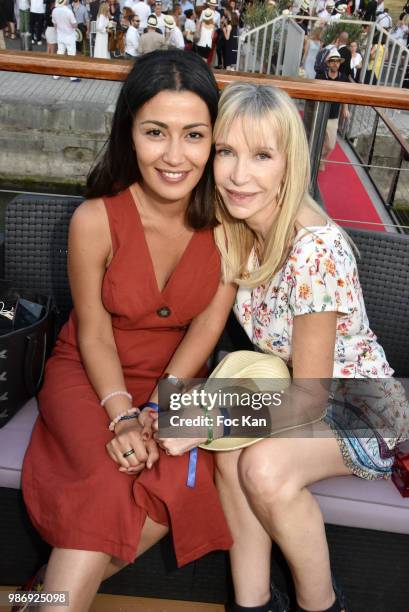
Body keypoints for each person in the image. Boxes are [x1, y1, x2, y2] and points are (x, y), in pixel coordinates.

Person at [177, 80, 406, 612]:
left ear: (289, 163)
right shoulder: (236, 229)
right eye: (226, 152)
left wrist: (203, 417)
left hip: (362, 406)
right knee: (231, 459)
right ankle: (253, 603)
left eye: (261, 155)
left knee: (261, 467)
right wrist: (164, 407)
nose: (238, 175)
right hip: (300, 392)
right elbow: (208, 325)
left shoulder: (314, 251)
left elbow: (310, 398)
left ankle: (321, 605)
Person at [21, 49, 234, 612]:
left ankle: (40, 593)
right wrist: (121, 413)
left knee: (169, 488)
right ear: (128, 133)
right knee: (107, 481)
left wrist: (161, 408)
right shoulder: (94, 219)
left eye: (194, 135)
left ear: (214, 139)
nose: (174, 155)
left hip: (179, 379)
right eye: (155, 132)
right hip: (90, 375)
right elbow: (91, 332)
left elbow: (206, 329)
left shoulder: (232, 227)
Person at [315, 48, 349, 170]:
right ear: (328, 63)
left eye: (337, 61)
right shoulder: (320, 76)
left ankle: (321, 159)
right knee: (314, 141)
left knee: (330, 145)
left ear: (340, 63)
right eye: (333, 61)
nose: (335, 63)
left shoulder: (343, 78)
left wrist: (345, 108)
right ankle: (313, 161)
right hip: (318, 114)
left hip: (333, 116)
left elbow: (345, 95)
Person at [52, 0, 80, 82]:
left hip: (60, 35)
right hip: (69, 36)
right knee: (71, 55)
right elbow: (74, 24)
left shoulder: (54, 10)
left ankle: (56, 74)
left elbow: (55, 24)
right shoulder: (68, 12)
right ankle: (72, 76)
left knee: (60, 54)